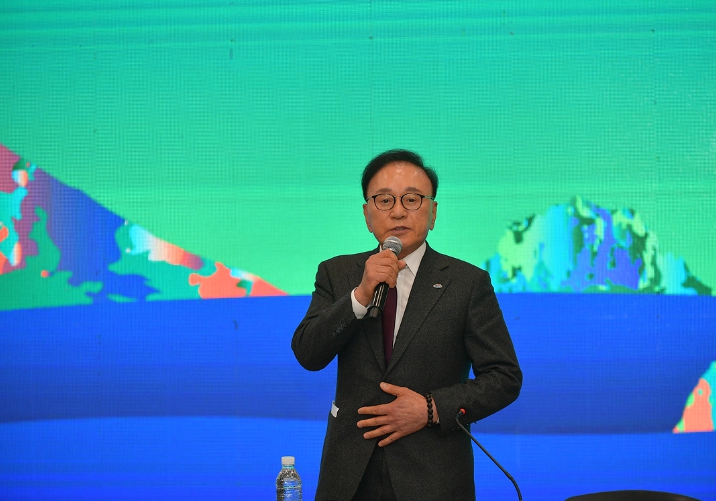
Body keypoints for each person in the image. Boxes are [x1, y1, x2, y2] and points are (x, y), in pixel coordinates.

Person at [292, 149, 522, 501]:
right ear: (367, 215)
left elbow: (504, 377)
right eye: (385, 200)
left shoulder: (466, 283)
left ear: (433, 212)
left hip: (433, 480)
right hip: (349, 479)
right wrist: (360, 296)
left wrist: (431, 408)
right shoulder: (337, 274)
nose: (398, 211)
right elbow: (308, 353)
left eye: (412, 199)